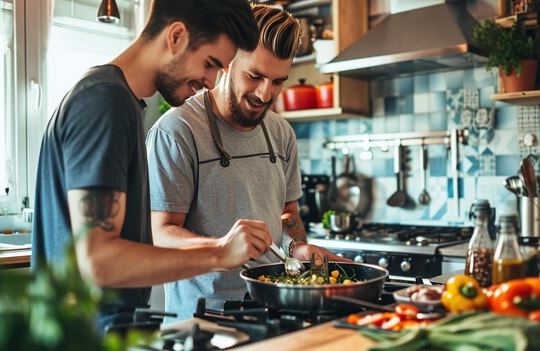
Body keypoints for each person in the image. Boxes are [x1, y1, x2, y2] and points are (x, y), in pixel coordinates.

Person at [32, 0, 272, 330]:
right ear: (176, 36)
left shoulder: (123, 102)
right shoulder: (105, 103)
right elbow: (98, 261)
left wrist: (219, 246)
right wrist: (218, 255)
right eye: (209, 63)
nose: (210, 80)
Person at [146, 4, 349, 319]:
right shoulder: (177, 132)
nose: (266, 94)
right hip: (204, 322)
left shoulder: (281, 132)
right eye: (255, 76)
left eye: (279, 81)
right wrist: (222, 247)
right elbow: (160, 233)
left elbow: (287, 213)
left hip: (276, 313)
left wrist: (297, 247)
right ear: (226, 61)